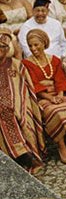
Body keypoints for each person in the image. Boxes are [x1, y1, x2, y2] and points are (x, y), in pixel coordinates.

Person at [22, 28, 66, 164]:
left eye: (36, 44)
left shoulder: (54, 60)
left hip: (58, 94)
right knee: (56, 112)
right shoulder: (26, 63)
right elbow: (34, 84)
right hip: (42, 98)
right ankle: (61, 146)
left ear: (44, 43)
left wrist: (60, 94)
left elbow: (60, 79)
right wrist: (50, 97)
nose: (33, 48)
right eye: (30, 45)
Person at [0, 28, 46, 170]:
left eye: (3, 47)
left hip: (18, 103)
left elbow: (24, 89)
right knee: (5, 113)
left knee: (16, 112)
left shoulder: (15, 64)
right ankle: (22, 154)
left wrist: (16, 103)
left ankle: (22, 154)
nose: (0, 50)